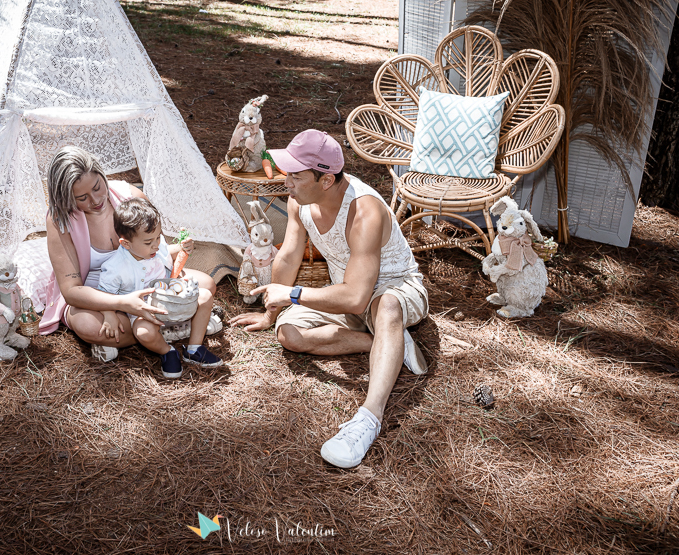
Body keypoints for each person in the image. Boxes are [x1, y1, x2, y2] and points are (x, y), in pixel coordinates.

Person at [229, 129, 429, 469]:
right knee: (289, 336)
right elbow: (290, 256)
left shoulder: (365, 211)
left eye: (296, 174)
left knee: (388, 305)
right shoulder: (299, 201)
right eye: (287, 172)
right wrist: (271, 313)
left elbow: (355, 297)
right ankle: (384, 344)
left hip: (394, 289)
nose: (286, 181)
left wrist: (292, 294)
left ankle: (368, 418)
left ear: (325, 180)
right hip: (350, 295)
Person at [40, 146, 220, 362]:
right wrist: (120, 304)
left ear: (102, 175)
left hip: (145, 279)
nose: (96, 200)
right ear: (66, 198)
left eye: (98, 188)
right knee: (87, 325)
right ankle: (176, 328)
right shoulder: (61, 220)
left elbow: (155, 246)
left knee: (206, 284)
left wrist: (172, 267)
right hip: (99, 292)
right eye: (82, 198)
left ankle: (150, 332)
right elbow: (71, 291)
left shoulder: (130, 196)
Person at [98, 198, 223, 378]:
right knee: (143, 332)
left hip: (171, 299)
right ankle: (167, 351)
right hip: (145, 311)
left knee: (204, 296)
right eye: (149, 242)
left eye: (158, 237)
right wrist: (109, 314)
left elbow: (166, 249)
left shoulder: (156, 246)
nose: (156, 244)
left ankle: (194, 348)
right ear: (126, 244)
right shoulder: (116, 267)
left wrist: (182, 247)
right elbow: (104, 293)